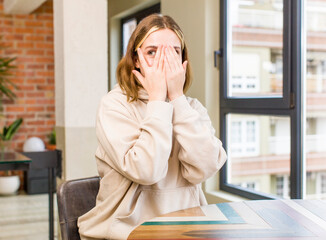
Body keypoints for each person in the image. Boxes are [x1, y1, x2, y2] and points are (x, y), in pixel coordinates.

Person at [78, 14, 227, 240]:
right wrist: (158, 101)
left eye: (173, 52)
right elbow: (146, 171)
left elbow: (205, 168)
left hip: (185, 227)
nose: (163, 62)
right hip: (125, 230)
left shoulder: (192, 108)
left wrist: (177, 99)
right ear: (136, 59)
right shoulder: (114, 105)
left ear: (183, 61)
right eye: (152, 52)